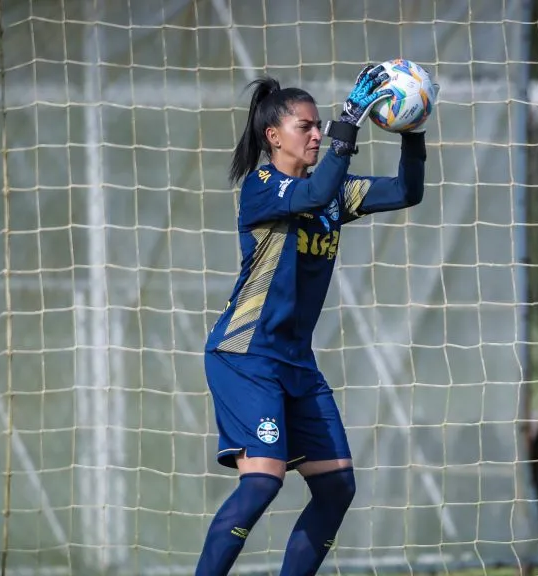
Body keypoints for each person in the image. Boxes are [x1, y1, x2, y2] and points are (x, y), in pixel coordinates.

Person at [196, 63, 431, 576]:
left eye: (322, 125)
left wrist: (413, 133)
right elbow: (315, 193)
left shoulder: (329, 194)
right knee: (262, 480)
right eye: (307, 126)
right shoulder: (263, 185)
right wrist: (351, 119)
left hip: (295, 364)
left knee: (336, 486)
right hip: (246, 355)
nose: (318, 134)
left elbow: (405, 191)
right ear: (273, 136)